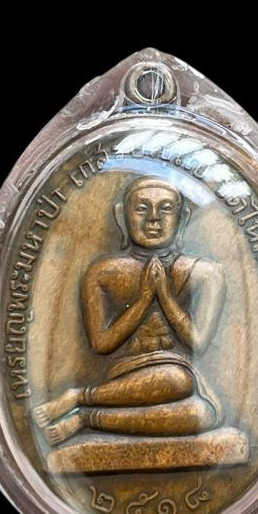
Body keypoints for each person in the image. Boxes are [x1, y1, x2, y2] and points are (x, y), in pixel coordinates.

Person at [33, 176, 226, 444]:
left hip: (182, 375)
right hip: (124, 376)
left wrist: (165, 296)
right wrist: (144, 299)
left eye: (166, 208)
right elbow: (101, 344)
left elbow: (198, 342)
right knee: (177, 380)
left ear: (182, 218)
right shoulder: (103, 272)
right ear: (122, 217)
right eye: (142, 208)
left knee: (201, 415)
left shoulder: (206, 274)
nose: (154, 219)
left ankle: (86, 417)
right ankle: (82, 397)